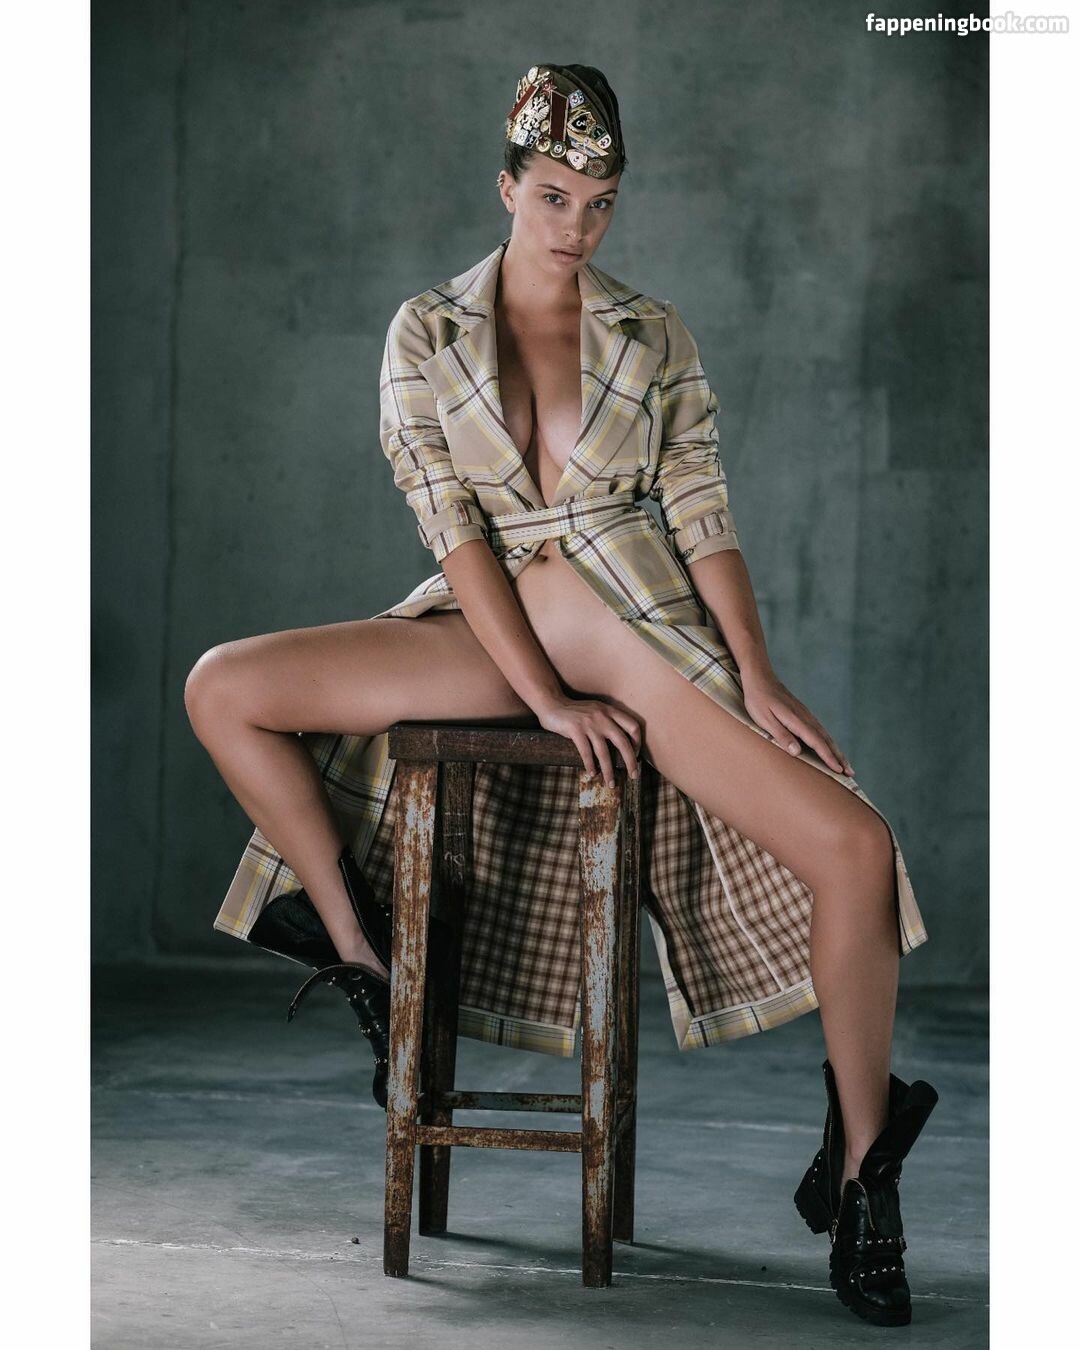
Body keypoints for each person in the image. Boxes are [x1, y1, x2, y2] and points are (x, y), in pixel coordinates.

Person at [184, 62, 938, 1327]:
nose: (577, 225)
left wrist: (756, 674)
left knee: (855, 849)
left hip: (629, 613)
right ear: (507, 187)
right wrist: (538, 694)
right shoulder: (426, 330)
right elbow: (452, 528)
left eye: (599, 204)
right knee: (224, 686)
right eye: (553, 197)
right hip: (490, 619)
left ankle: (864, 1172)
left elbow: (701, 513)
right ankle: (362, 956)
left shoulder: (654, 332)